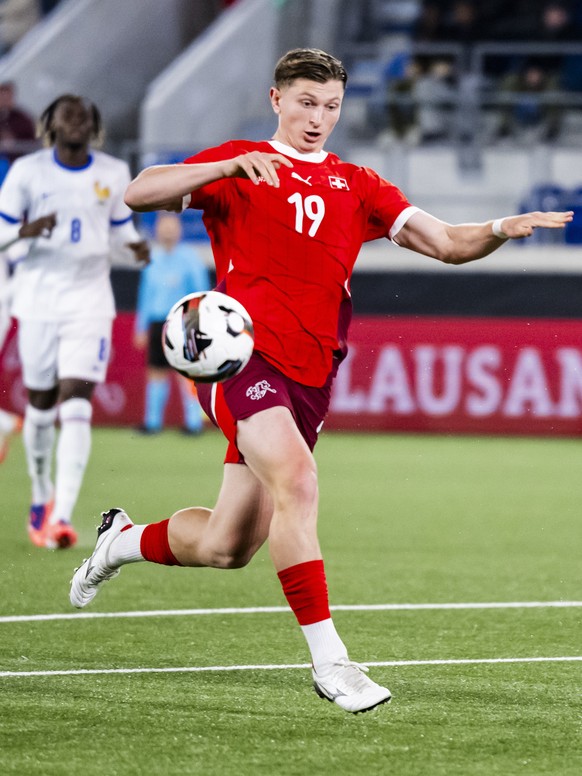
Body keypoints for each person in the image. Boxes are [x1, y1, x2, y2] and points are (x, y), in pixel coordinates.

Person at [69, 49, 572, 713]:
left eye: (330, 105)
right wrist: (224, 164)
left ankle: (120, 541)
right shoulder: (242, 165)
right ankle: (332, 663)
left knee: (227, 546)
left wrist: (500, 229)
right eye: (306, 102)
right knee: (299, 483)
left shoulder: (358, 185)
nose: (318, 118)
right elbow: (138, 192)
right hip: (239, 359)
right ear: (276, 99)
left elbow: (448, 243)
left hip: (311, 376)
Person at [0, 94, 150, 550]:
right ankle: (42, 492)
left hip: (90, 301)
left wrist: (136, 249)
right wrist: (24, 231)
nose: (76, 122)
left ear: (94, 125)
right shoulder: (28, 172)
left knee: (76, 397)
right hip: (38, 299)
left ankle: (62, 516)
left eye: (84, 115)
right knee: (42, 403)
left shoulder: (112, 172)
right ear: (50, 124)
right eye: (67, 115)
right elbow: (1, 235)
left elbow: (123, 232)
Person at [133, 212, 210, 434]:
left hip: (182, 321)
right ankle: (152, 422)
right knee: (156, 371)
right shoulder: (152, 259)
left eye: (171, 227)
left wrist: (196, 326)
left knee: (186, 373)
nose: (167, 231)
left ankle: (193, 423)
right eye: (163, 227)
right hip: (157, 321)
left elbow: (199, 293)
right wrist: (140, 327)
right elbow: (145, 296)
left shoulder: (190, 259)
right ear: (157, 229)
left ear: (179, 230)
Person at [0, 246, 22, 462]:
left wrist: (3, 297)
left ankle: (6, 423)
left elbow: (25, 265)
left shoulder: (5, 219)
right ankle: (5, 423)